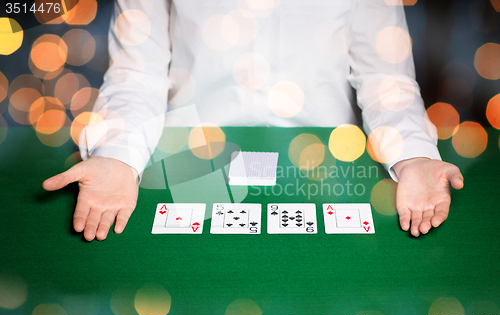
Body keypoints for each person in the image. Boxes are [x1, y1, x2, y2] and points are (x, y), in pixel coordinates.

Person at [43, 0, 463, 241]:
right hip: (187, 165)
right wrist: (117, 156)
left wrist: (412, 157)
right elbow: (137, 73)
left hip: (327, 170)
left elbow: (384, 76)